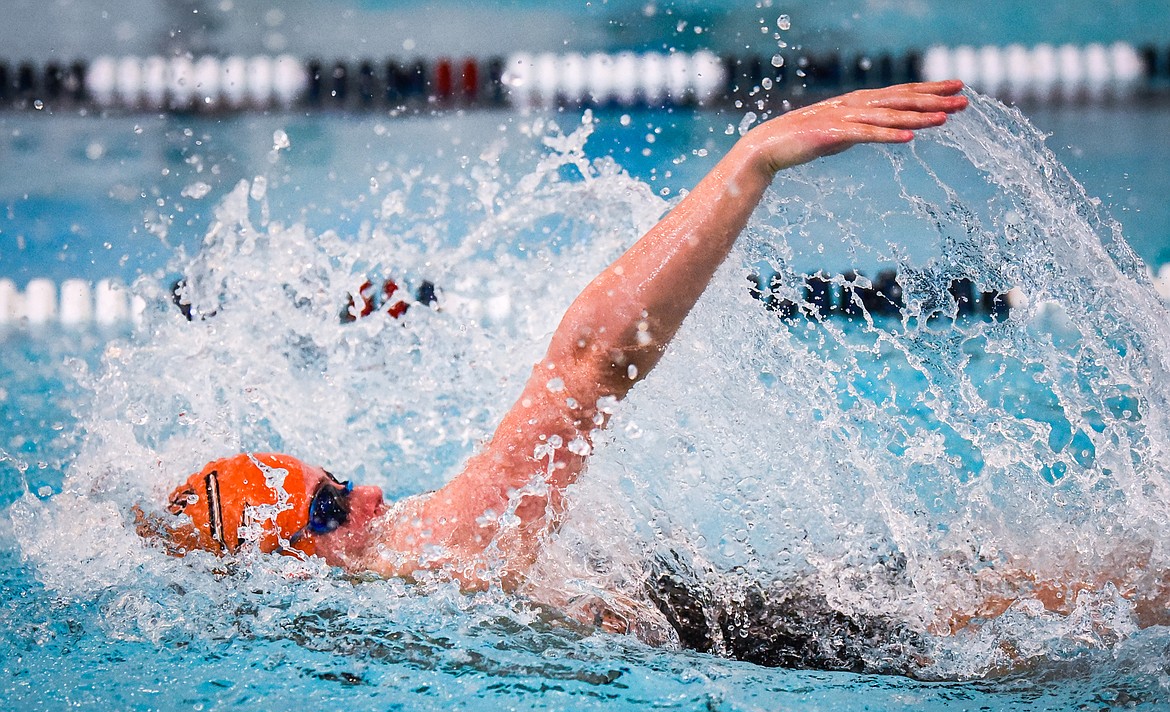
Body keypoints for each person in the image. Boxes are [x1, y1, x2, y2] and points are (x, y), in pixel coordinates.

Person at [145, 80, 1112, 671]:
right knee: (1078, 605)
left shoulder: (384, 591)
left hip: (755, 635)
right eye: (330, 509)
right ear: (292, 573)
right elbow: (595, 356)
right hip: (819, 651)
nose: (373, 493)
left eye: (338, 478)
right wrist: (751, 162)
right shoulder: (435, 552)